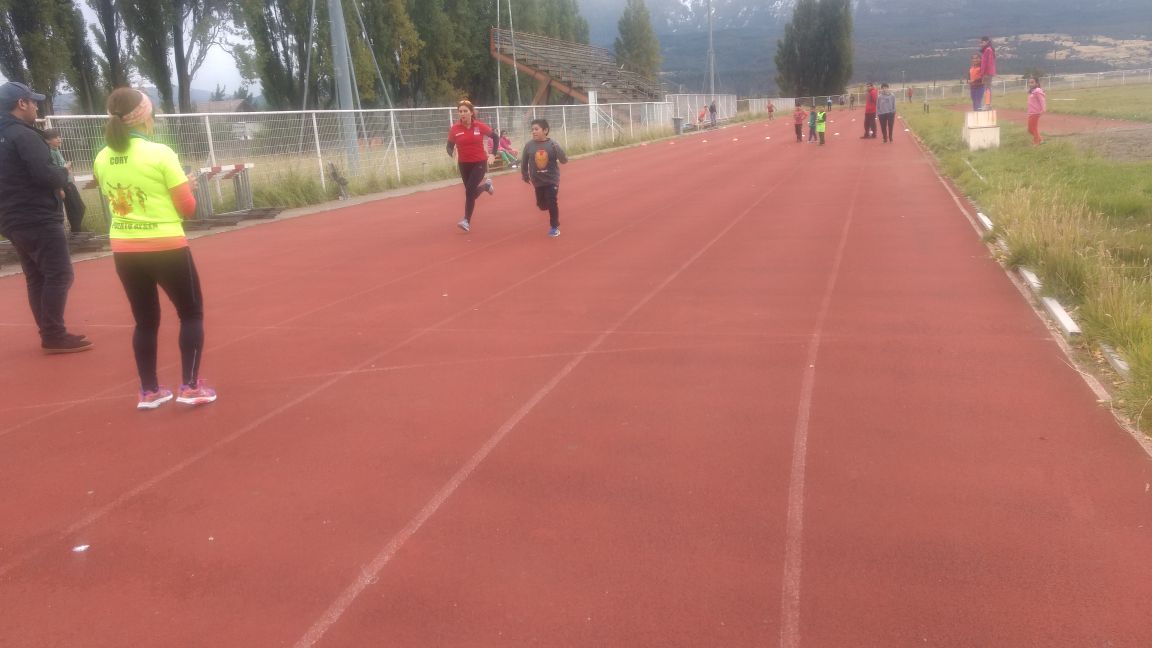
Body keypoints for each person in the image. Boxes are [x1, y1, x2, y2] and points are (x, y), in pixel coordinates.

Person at [92, 87, 216, 409]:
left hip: (125, 248)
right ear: (145, 116)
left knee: (145, 321)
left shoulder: (102, 157)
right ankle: (190, 386)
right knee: (190, 313)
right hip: (166, 245)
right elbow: (187, 208)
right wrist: (189, 187)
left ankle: (149, 391)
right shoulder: (161, 153)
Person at [0, 81, 91, 354]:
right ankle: (53, 334)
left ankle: (49, 333)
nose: (37, 107)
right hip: (37, 215)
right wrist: (63, 173)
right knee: (59, 273)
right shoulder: (24, 136)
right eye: (33, 102)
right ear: (21, 104)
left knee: (36, 276)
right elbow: (45, 175)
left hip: (11, 217)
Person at [445, 100, 497, 233]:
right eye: (460, 111)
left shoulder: (479, 126)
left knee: (469, 192)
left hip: (479, 163)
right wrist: (452, 153)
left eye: (465, 111)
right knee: (471, 193)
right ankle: (486, 187)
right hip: (463, 164)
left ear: (471, 112)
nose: (462, 113)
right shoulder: (455, 129)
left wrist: (493, 154)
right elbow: (449, 146)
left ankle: (466, 221)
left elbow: (495, 137)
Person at [520, 119, 569, 238]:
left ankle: (554, 226)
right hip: (537, 181)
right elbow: (524, 161)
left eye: (536, 129)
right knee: (541, 205)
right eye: (532, 129)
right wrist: (524, 174)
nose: (533, 132)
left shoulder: (553, 144)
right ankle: (545, 205)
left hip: (552, 179)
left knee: (552, 201)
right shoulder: (529, 145)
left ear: (545, 130)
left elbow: (564, 160)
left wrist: (558, 149)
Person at [43, 129, 87, 234]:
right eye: (55, 137)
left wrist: (66, 168)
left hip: (68, 183)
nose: (59, 139)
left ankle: (77, 230)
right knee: (76, 208)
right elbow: (55, 172)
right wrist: (60, 188)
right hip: (64, 185)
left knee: (78, 207)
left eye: (59, 136)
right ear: (48, 141)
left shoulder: (56, 150)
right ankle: (76, 232)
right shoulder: (51, 153)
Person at [1027, 76, 1047, 146]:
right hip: (1031, 112)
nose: (1030, 84)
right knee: (1030, 130)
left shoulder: (1038, 90)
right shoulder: (1032, 91)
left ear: (1037, 83)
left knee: (1033, 128)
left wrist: (1043, 109)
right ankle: (1040, 140)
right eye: (1029, 82)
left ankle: (1036, 143)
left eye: (1032, 82)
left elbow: (1042, 100)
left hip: (1035, 113)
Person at [980, 36, 997, 109]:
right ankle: (987, 104)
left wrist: (985, 74)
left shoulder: (988, 50)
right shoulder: (988, 49)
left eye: (982, 42)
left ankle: (987, 105)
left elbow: (988, 63)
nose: (980, 44)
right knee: (987, 88)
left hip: (987, 73)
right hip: (987, 72)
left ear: (987, 42)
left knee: (987, 89)